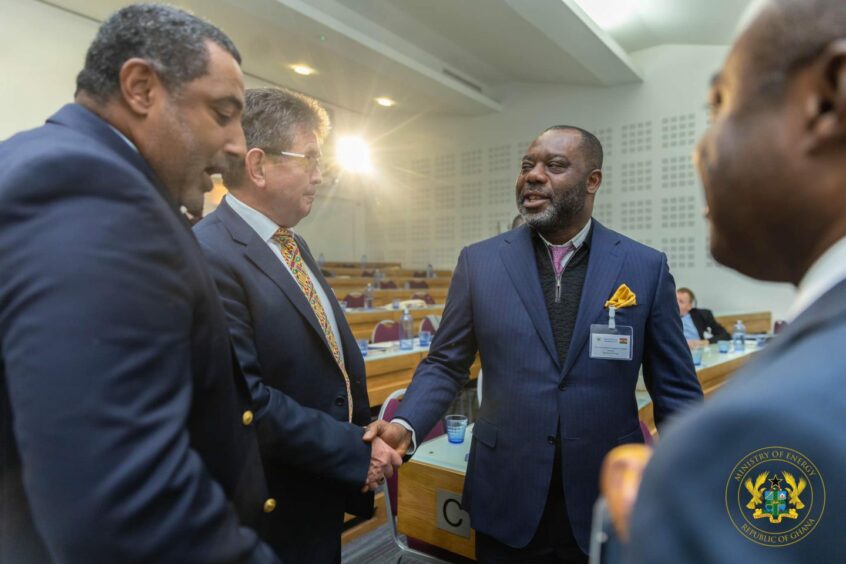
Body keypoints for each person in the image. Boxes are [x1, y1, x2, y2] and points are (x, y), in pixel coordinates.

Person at [0, 5, 280, 563]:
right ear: (141, 87)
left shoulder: (43, 161)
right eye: (223, 113)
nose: (235, 146)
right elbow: (123, 506)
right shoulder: (89, 189)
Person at [365, 126, 703, 562]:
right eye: (527, 166)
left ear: (592, 181)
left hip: (606, 493)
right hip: (506, 490)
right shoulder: (481, 262)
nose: (534, 176)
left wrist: (695, 478)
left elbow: (675, 389)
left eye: (555, 166)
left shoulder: (644, 267)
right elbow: (447, 363)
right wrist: (406, 424)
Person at [602, 1, 846, 561]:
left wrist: (641, 513)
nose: (700, 151)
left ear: (827, 100)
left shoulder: (767, 426)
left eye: (719, 106)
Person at [194, 87, 401, 563]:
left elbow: (323, 360)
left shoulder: (290, 244)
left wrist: (364, 427)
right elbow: (248, 400)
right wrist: (354, 449)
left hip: (314, 488)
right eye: (309, 159)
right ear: (258, 165)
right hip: (265, 505)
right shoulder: (210, 251)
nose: (320, 174)